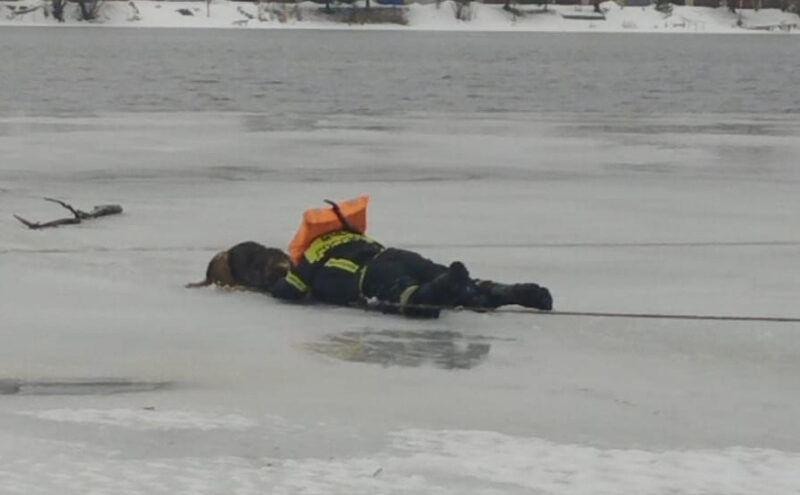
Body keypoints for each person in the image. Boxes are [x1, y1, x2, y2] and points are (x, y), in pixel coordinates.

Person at [268, 229, 553, 318]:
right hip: (395, 255)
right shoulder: (355, 236)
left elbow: (290, 291)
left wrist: (273, 285)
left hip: (371, 274)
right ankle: (509, 291)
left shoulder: (311, 252)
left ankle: (442, 287)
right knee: (466, 287)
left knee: (414, 300)